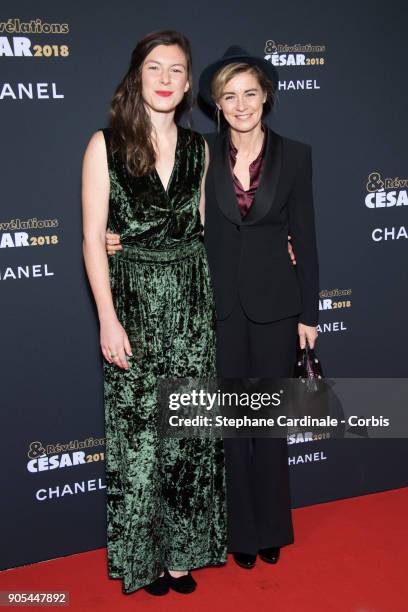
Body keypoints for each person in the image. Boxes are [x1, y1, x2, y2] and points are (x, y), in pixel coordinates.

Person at [105, 45, 319, 570]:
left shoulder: (296, 155)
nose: (241, 104)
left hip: (276, 310)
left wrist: (309, 315)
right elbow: (171, 212)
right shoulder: (200, 151)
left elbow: (306, 239)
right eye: (230, 96)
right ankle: (240, 534)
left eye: (250, 93)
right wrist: (121, 239)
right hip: (214, 307)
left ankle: (272, 527)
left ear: (266, 97)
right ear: (216, 105)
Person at [81, 30, 227, 597]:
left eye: (177, 70)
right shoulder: (106, 144)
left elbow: (212, 229)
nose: (166, 79)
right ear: (137, 77)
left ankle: (181, 556)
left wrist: (274, 249)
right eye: (155, 68)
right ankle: (144, 561)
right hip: (134, 303)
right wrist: (107, 318)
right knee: (139, 439)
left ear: (189, 83)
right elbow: (95, 238)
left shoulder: (199, 149)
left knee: (187, 434)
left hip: (192, 300)